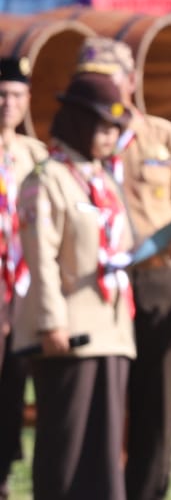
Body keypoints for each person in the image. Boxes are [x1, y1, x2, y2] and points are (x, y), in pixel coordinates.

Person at [76, 39, 171, 500]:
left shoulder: (162, 135)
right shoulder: (79, 140)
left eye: (110, 75)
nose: (100, 84)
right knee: (100, 390)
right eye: (90, 75)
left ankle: (148, 489)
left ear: (131, 81)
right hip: (96, 284)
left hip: (157, 276)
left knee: (155, 390)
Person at [14, 72, 137, 500]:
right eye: (102, 128)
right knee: (64, 447)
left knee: (104, 449)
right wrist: (52, 322)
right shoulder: (46, 179)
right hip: (69, 331)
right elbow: (40, 259)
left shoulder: (102, 179)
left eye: (115, 130)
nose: (109, 138)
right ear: (78, 123)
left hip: (112, 328)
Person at [0, 58, 47, 499]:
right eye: (1, 94)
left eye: (16, 95)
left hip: (25, 283)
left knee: (17, 375)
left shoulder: (35, 155)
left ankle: (7, 464)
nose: (7, 104)